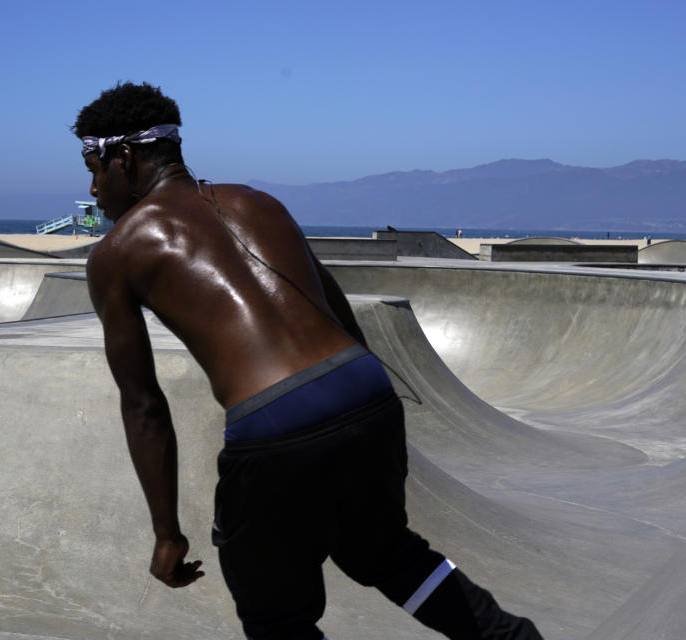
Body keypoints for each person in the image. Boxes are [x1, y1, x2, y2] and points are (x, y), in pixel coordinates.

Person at [75, 82, 542, 640]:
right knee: (388, 556)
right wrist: (360, 415)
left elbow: (144, 406)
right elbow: (333, 303)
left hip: (274, 425)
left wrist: (166, 532)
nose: (93, 188)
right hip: (364, 388)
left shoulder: (117, 253)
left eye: (93, 166)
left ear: (123, 157)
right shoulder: (257, 202)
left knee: (277, 620)